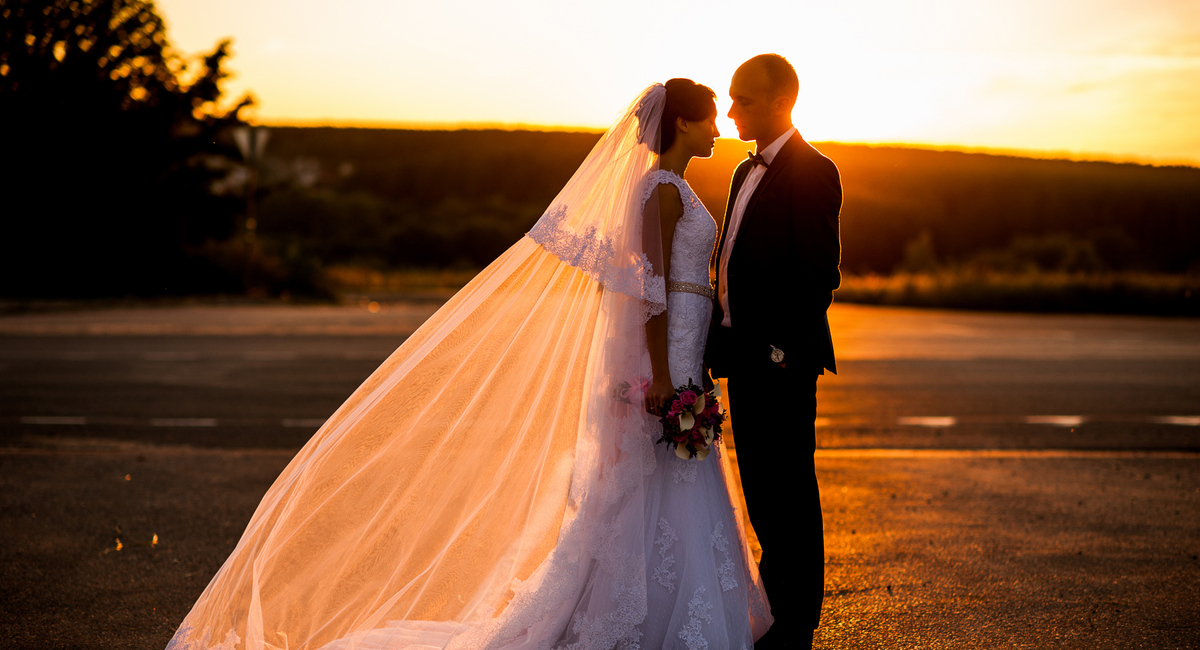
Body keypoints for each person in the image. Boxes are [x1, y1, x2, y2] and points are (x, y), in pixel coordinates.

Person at [166, 80, 772, 650]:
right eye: (711, 116)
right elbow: (650, 288)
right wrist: (662, 376)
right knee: (651, 470)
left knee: (670, 473)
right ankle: (640, 615)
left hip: (688, 349)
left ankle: (670, 609)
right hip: (669, 354)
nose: (718, 127)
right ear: (685, 123)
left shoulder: (678, 186)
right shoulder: (661, 191)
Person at [706, 54, 843, 650]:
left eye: (745, 100)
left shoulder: (815, 170)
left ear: (782, 102)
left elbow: (818, 275)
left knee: (789, 488)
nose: (732, 110)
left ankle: (796, 623)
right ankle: (774, 601)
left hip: (779, 363)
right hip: (743, 358)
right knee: (762, 489)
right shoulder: (743, 172)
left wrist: (779, 352)